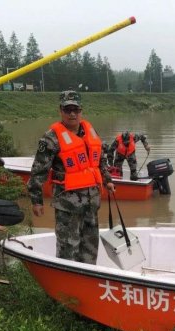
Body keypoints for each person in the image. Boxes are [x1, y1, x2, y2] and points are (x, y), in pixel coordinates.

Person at [27, 89, 115, 264]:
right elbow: (38, 171)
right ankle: (65, 288)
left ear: (81, 110)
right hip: (67, 206)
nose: (72, 114)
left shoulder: (90, 131)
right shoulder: (51, 138)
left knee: (90, 250)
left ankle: (86, 283)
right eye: (68, 110)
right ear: (61, 111)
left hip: (91, 204)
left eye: (76, 109)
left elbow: (100, 160)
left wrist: (108, 180)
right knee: (68, 251)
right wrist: (36, 201)